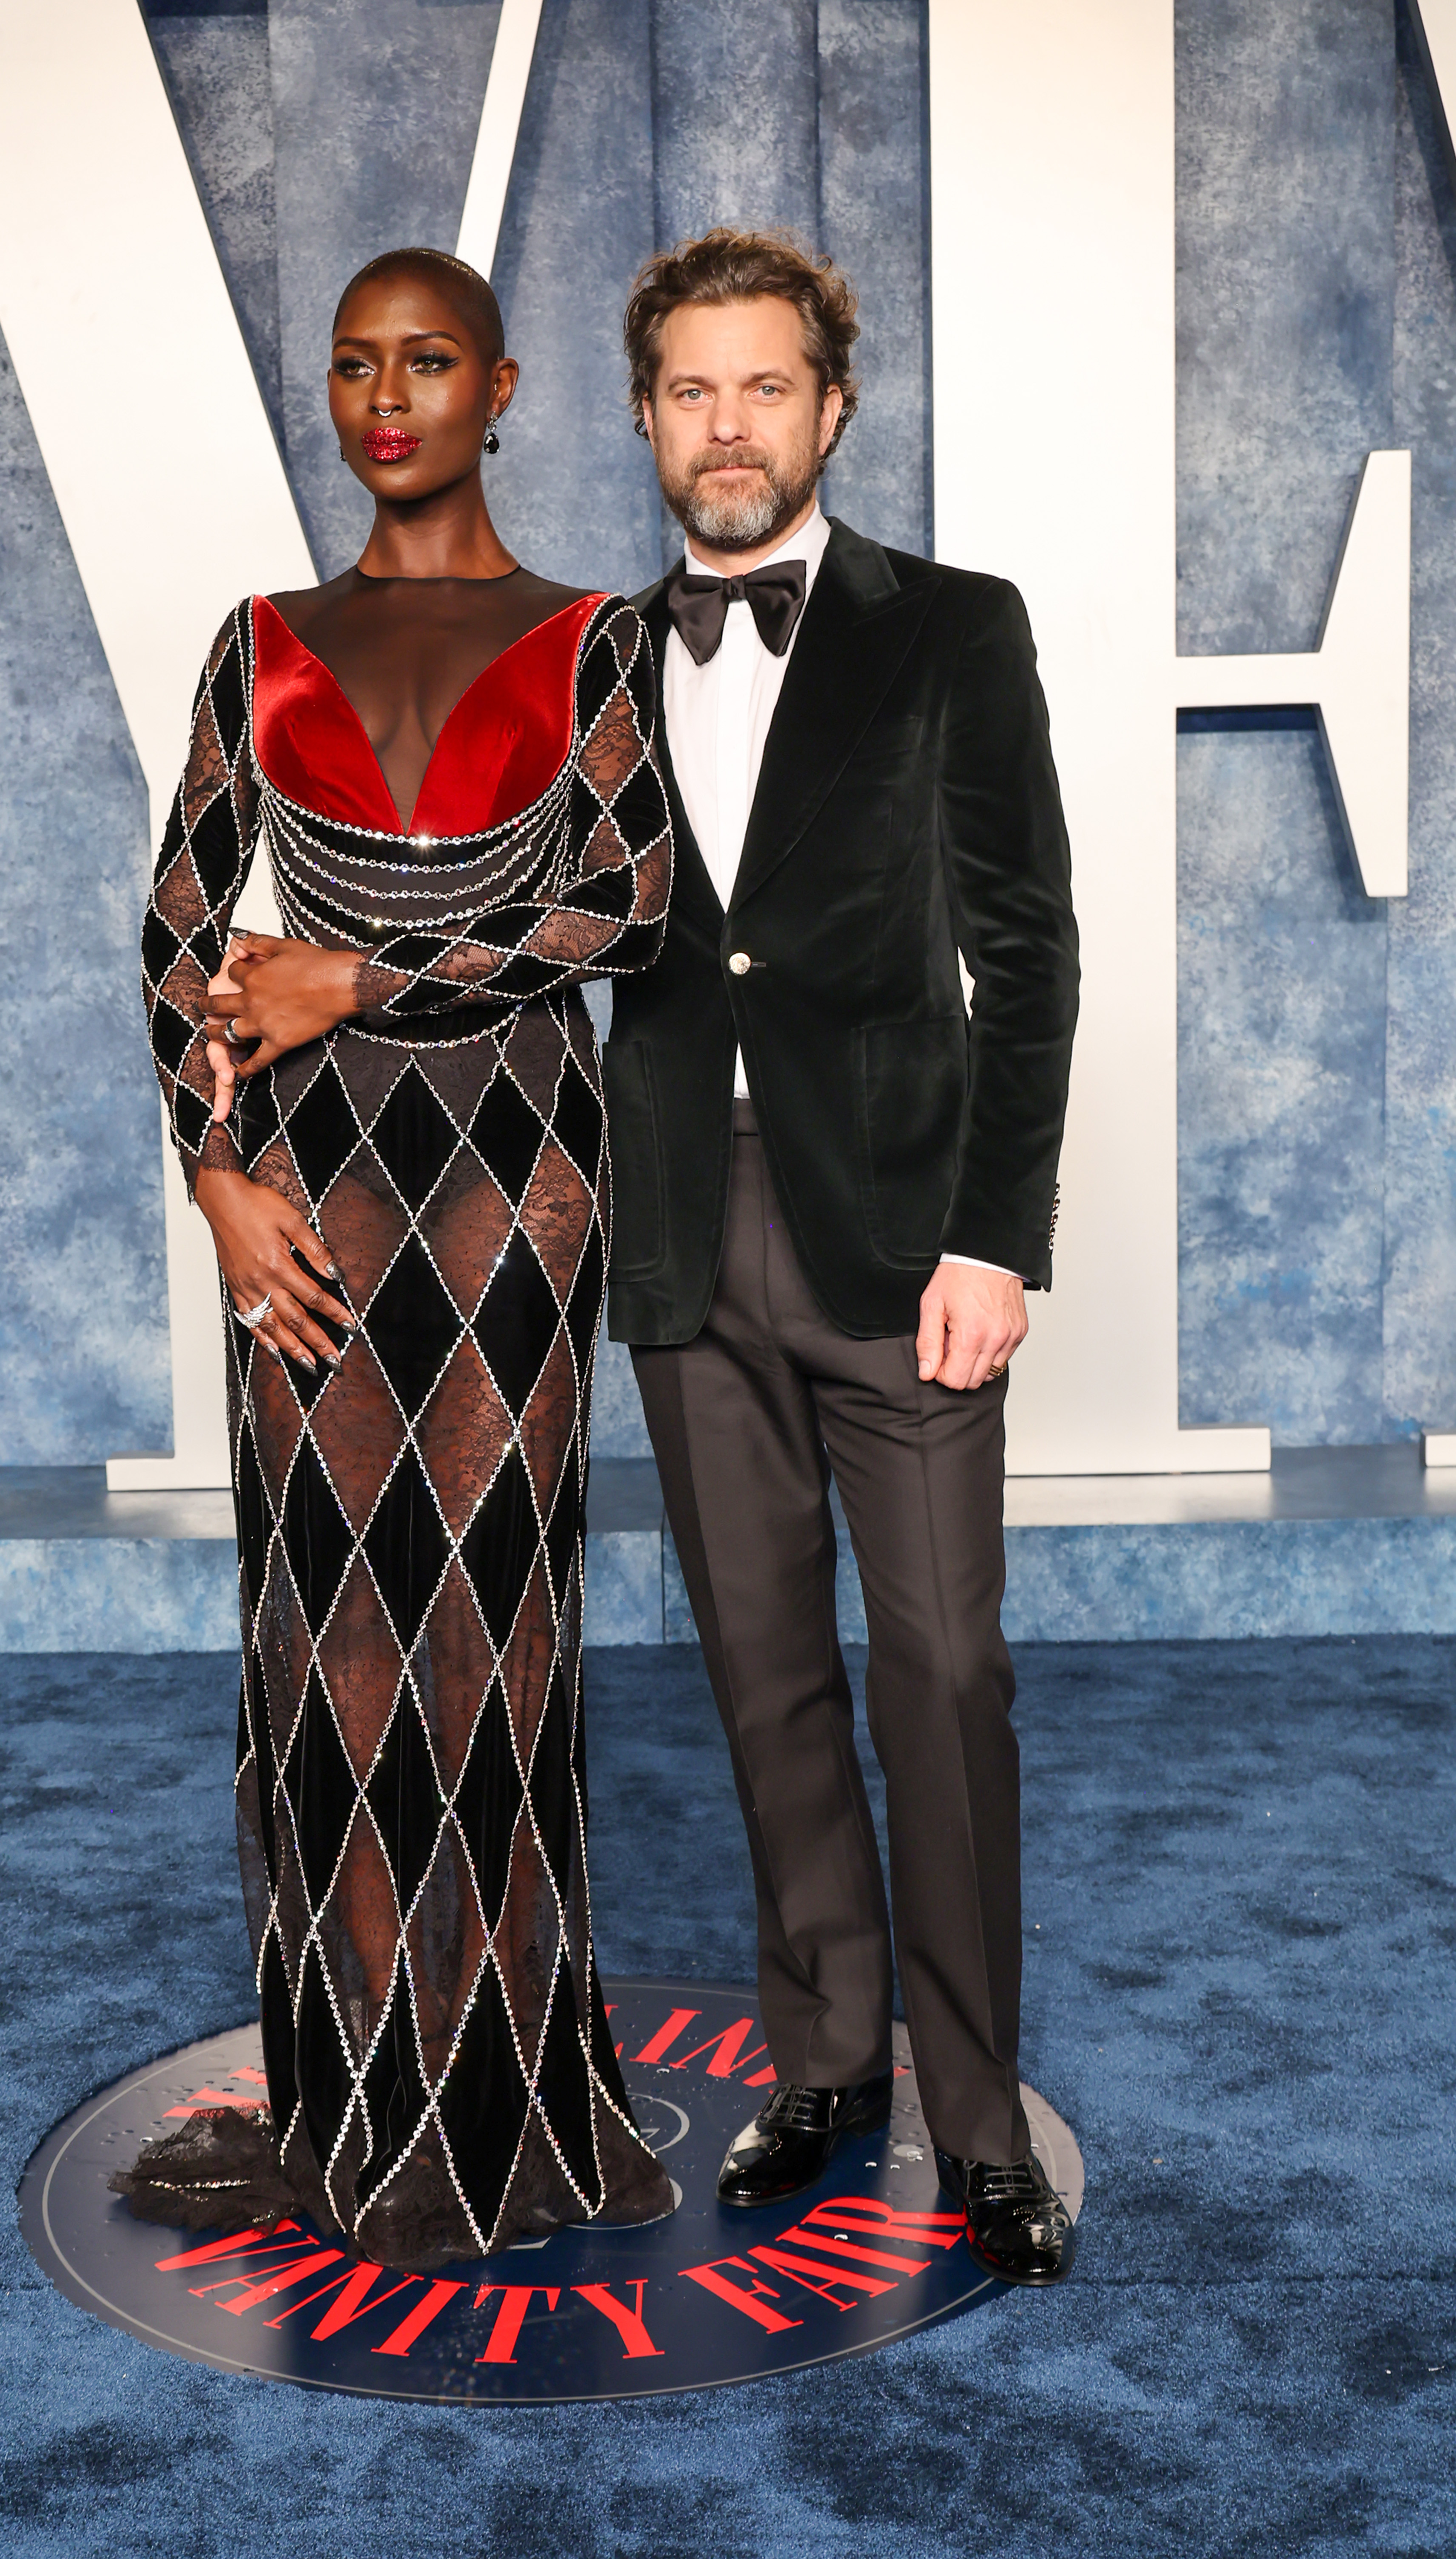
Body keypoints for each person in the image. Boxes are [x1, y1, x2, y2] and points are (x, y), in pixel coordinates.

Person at [119, 247, 675, 2272]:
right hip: (312, 1170)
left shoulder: (596, 636)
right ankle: (357, 2088)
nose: (385, 394)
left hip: (522, 1156)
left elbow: (623, 912)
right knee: (330, 1607)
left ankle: (508, 2080)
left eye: (425, 360)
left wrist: (361, 966)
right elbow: (182, 926)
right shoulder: (257, 638)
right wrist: (210, 1172)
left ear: (500, 387)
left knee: (496, 1606)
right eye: (354, 364)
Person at [605, 229, 1081, 2285]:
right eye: (691, 391)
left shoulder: (952, 630)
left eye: (765, 387)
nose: (729, 426)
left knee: (944, 1670)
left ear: (832, 403)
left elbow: (1030, 944)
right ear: (645, 418)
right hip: (676, 1237)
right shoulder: (595, 660)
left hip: (902, 1234)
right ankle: (827, 2060)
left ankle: (975, 2125)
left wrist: (997, 1232)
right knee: (764, 1668)